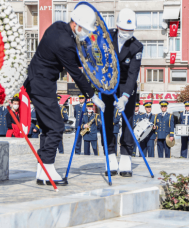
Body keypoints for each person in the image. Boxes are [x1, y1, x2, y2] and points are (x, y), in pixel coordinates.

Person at [23, 4, 105, 186]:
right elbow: (75, 72)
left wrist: (88, 58)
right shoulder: (64, 42)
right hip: (41, 84)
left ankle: (42, 170)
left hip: (39, 82)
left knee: (46, 127)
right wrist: (92, 96)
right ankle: (49, 168)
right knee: (56, 127)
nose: (85, 33)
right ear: (76, 24)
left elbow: (70, 55)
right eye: (85, 29)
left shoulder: (58, 26)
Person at [101, 8, 143, 177]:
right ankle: (110, 155)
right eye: (124, 30)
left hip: (126, 85)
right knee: (107, 118)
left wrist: (125, 97)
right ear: (117, 27)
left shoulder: (136, 46)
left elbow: (133, 74)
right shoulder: (106, 37)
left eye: (130, 31)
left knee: (128, 120)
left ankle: (126, 156)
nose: (127, 33)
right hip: (107, 82)